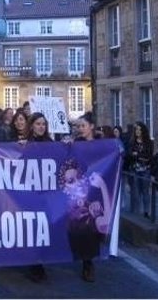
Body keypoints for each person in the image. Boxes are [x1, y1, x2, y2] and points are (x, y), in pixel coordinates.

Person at [67, 111, 110, 282]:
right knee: (82, 228)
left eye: (83, 126)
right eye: (78, 126)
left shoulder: (102, 143)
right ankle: (86, 261)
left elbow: (116, 152)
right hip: (80, 192)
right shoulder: (76, 142)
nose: (80, 129)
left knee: (93, 228)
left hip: (96, 190)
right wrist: (67, 145)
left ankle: (88, 263)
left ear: (91, 127)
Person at [25, 112, 52, 282]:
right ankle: (35, 264)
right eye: (38, 124)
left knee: (44, 228)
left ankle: (41, 261)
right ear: (32, 125)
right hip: (30, 194)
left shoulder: (51, 143)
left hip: (47, 195)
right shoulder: (25, 144)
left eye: (43, 124)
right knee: (33, 229)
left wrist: (67, 145)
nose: (41, 127)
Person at [126, 122, 153, 218]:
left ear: (143, 131)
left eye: (139, 129)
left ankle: (146, 212)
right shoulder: (132, 142)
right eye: (136, 129)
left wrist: (137, 155)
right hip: (134, 169)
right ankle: (136, 212)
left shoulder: (149, 142)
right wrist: (138, 156)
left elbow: (149, 156)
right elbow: (129, 154)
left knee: (145, 191)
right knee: (136, 192)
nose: (137, 131)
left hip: (145, 169)